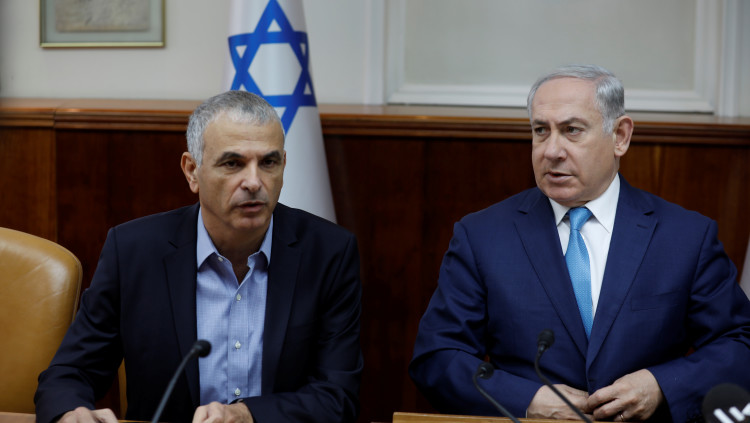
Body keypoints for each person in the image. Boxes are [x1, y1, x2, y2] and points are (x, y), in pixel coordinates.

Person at [409, 64, 750, 422]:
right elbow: (437, 356)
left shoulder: (685, 236)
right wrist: (527, 400)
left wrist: (661, 385)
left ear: (620, 136)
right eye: (541, 131)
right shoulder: (482, 236)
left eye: (572, 130)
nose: (551, 151)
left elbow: (740, 344)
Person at [35, 90, 363, 423]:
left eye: (268, 162)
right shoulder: (135, 251)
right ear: (192, 171)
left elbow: (337, 396)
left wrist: (247, 415)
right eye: (233, 163)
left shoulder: (328, 253)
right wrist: (69, 413)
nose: (254, 182)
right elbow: (70, 373)